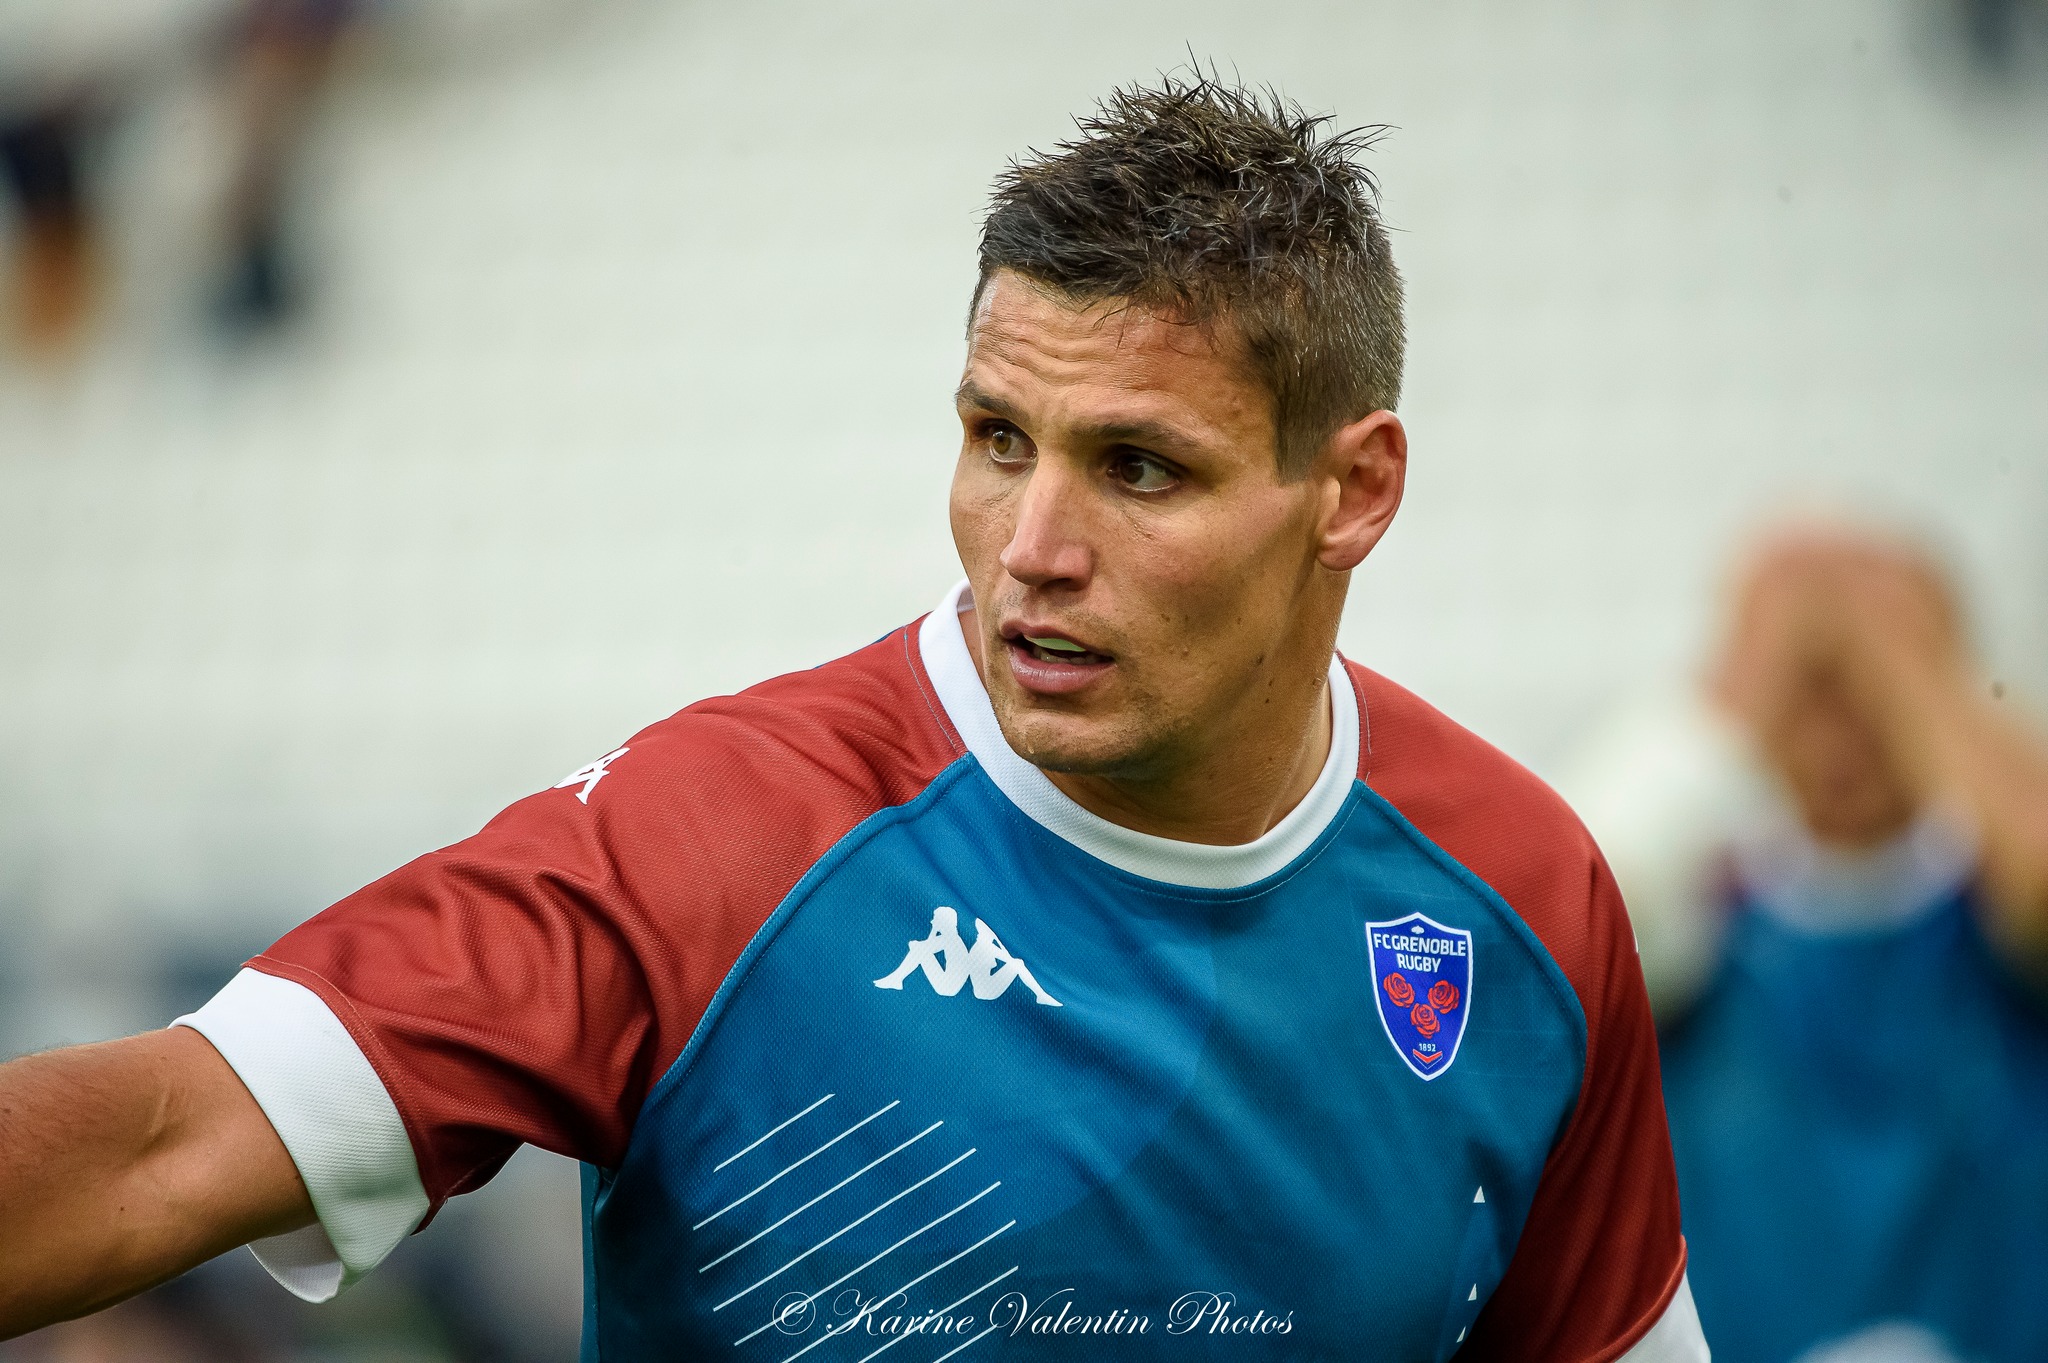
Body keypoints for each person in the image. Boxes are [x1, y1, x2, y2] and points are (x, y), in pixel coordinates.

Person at [0, 76, 1708, 1362]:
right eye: (994, 439)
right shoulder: (723, 842)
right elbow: (169, 1138)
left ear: (1350, 490)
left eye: (1137, 468)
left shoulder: (1518, 897)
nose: (1031, 549)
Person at [1566, 528, 2048, 1363]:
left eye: (1872, 688)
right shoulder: (1703, 936)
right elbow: (1549, 947)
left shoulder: (2000, 931)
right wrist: (1744, 677)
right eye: (1810, 688)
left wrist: (1913, 665)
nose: (1844, 730)